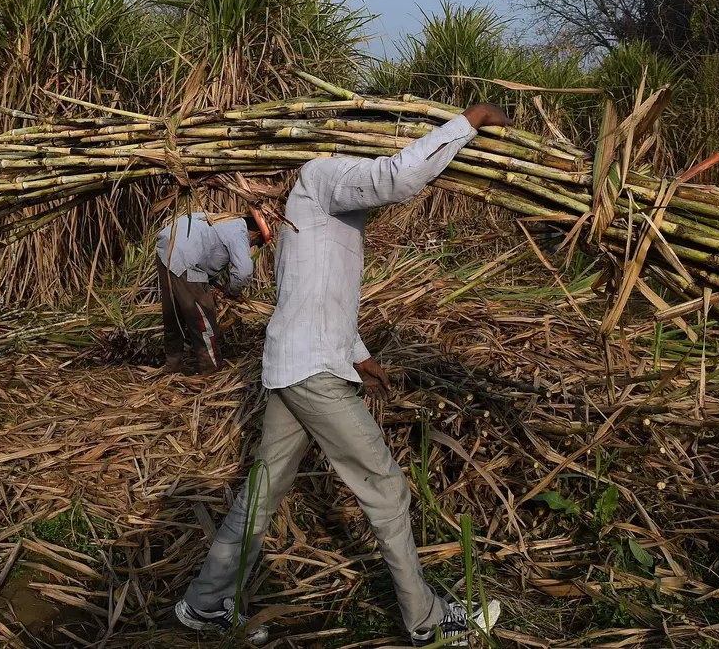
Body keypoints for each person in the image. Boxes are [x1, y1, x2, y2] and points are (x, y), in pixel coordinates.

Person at [175, 103, 513, 646]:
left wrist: (360, 355)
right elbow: (397, 177)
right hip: (310, 372)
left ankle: (204, 603)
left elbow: (315, 298)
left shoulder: (318, 218)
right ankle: (427, 623)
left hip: (298, 364)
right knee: (385, 485)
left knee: (262, 491)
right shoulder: (320, 175)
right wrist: (466, 123)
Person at [156, 210, 266, 375]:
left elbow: (206, 254)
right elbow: (244, 270)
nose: (252, 246)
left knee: (174, 315)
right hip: (185, 259)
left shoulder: (225, 220)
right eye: (255, 242)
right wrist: (233, 292)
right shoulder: (240, 232)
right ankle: (211, 369)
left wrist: (218, 285)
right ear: (256, 233)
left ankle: (172, 365)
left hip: (166, 250)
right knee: (203, 317)